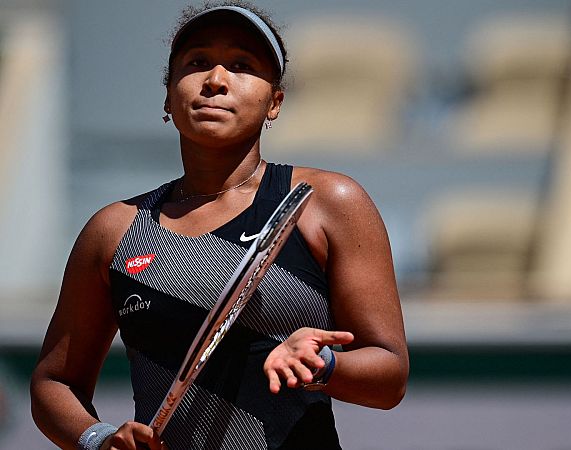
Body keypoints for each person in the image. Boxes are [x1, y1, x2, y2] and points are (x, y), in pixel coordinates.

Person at [30, 2, 409, 449]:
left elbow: (389, 376)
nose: (215, 79)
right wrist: (98, 439)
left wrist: (322, 363)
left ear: (274, 103)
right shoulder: (112, 232)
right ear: (168, 97)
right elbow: (54, 382)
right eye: (197, 62)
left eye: (242, 65)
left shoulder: (327, 202)